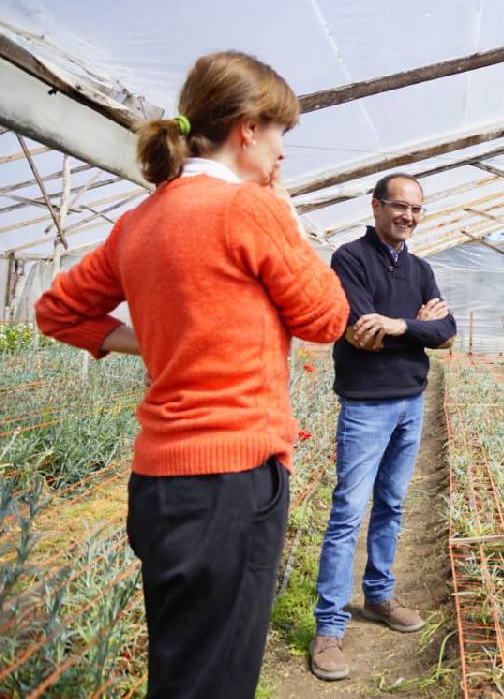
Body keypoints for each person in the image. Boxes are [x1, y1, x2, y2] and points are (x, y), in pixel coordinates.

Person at [34, 51, 350, 699]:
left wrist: (147, 343)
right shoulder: (248, 210)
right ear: (247, 128)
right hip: (232, 481)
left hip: (159, 483)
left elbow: (58, 310)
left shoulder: (141, 219)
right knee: (218, 679)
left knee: (182, 667)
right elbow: (326, 317)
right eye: (282, 133)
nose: (284, 153)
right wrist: (287, 217)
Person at [310, 173, 456, 681]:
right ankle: (328, 627)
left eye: (417, 209)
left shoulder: (420, 268)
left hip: (410, 403)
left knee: (392, 504)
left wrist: (400, 326)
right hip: (366, 404)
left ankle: (378, 596)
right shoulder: (350, 259)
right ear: (376, 206)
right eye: (400, 207)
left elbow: (446, 333)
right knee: (349, 510)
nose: (409, 217)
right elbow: (359, 328)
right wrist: (411, 328)